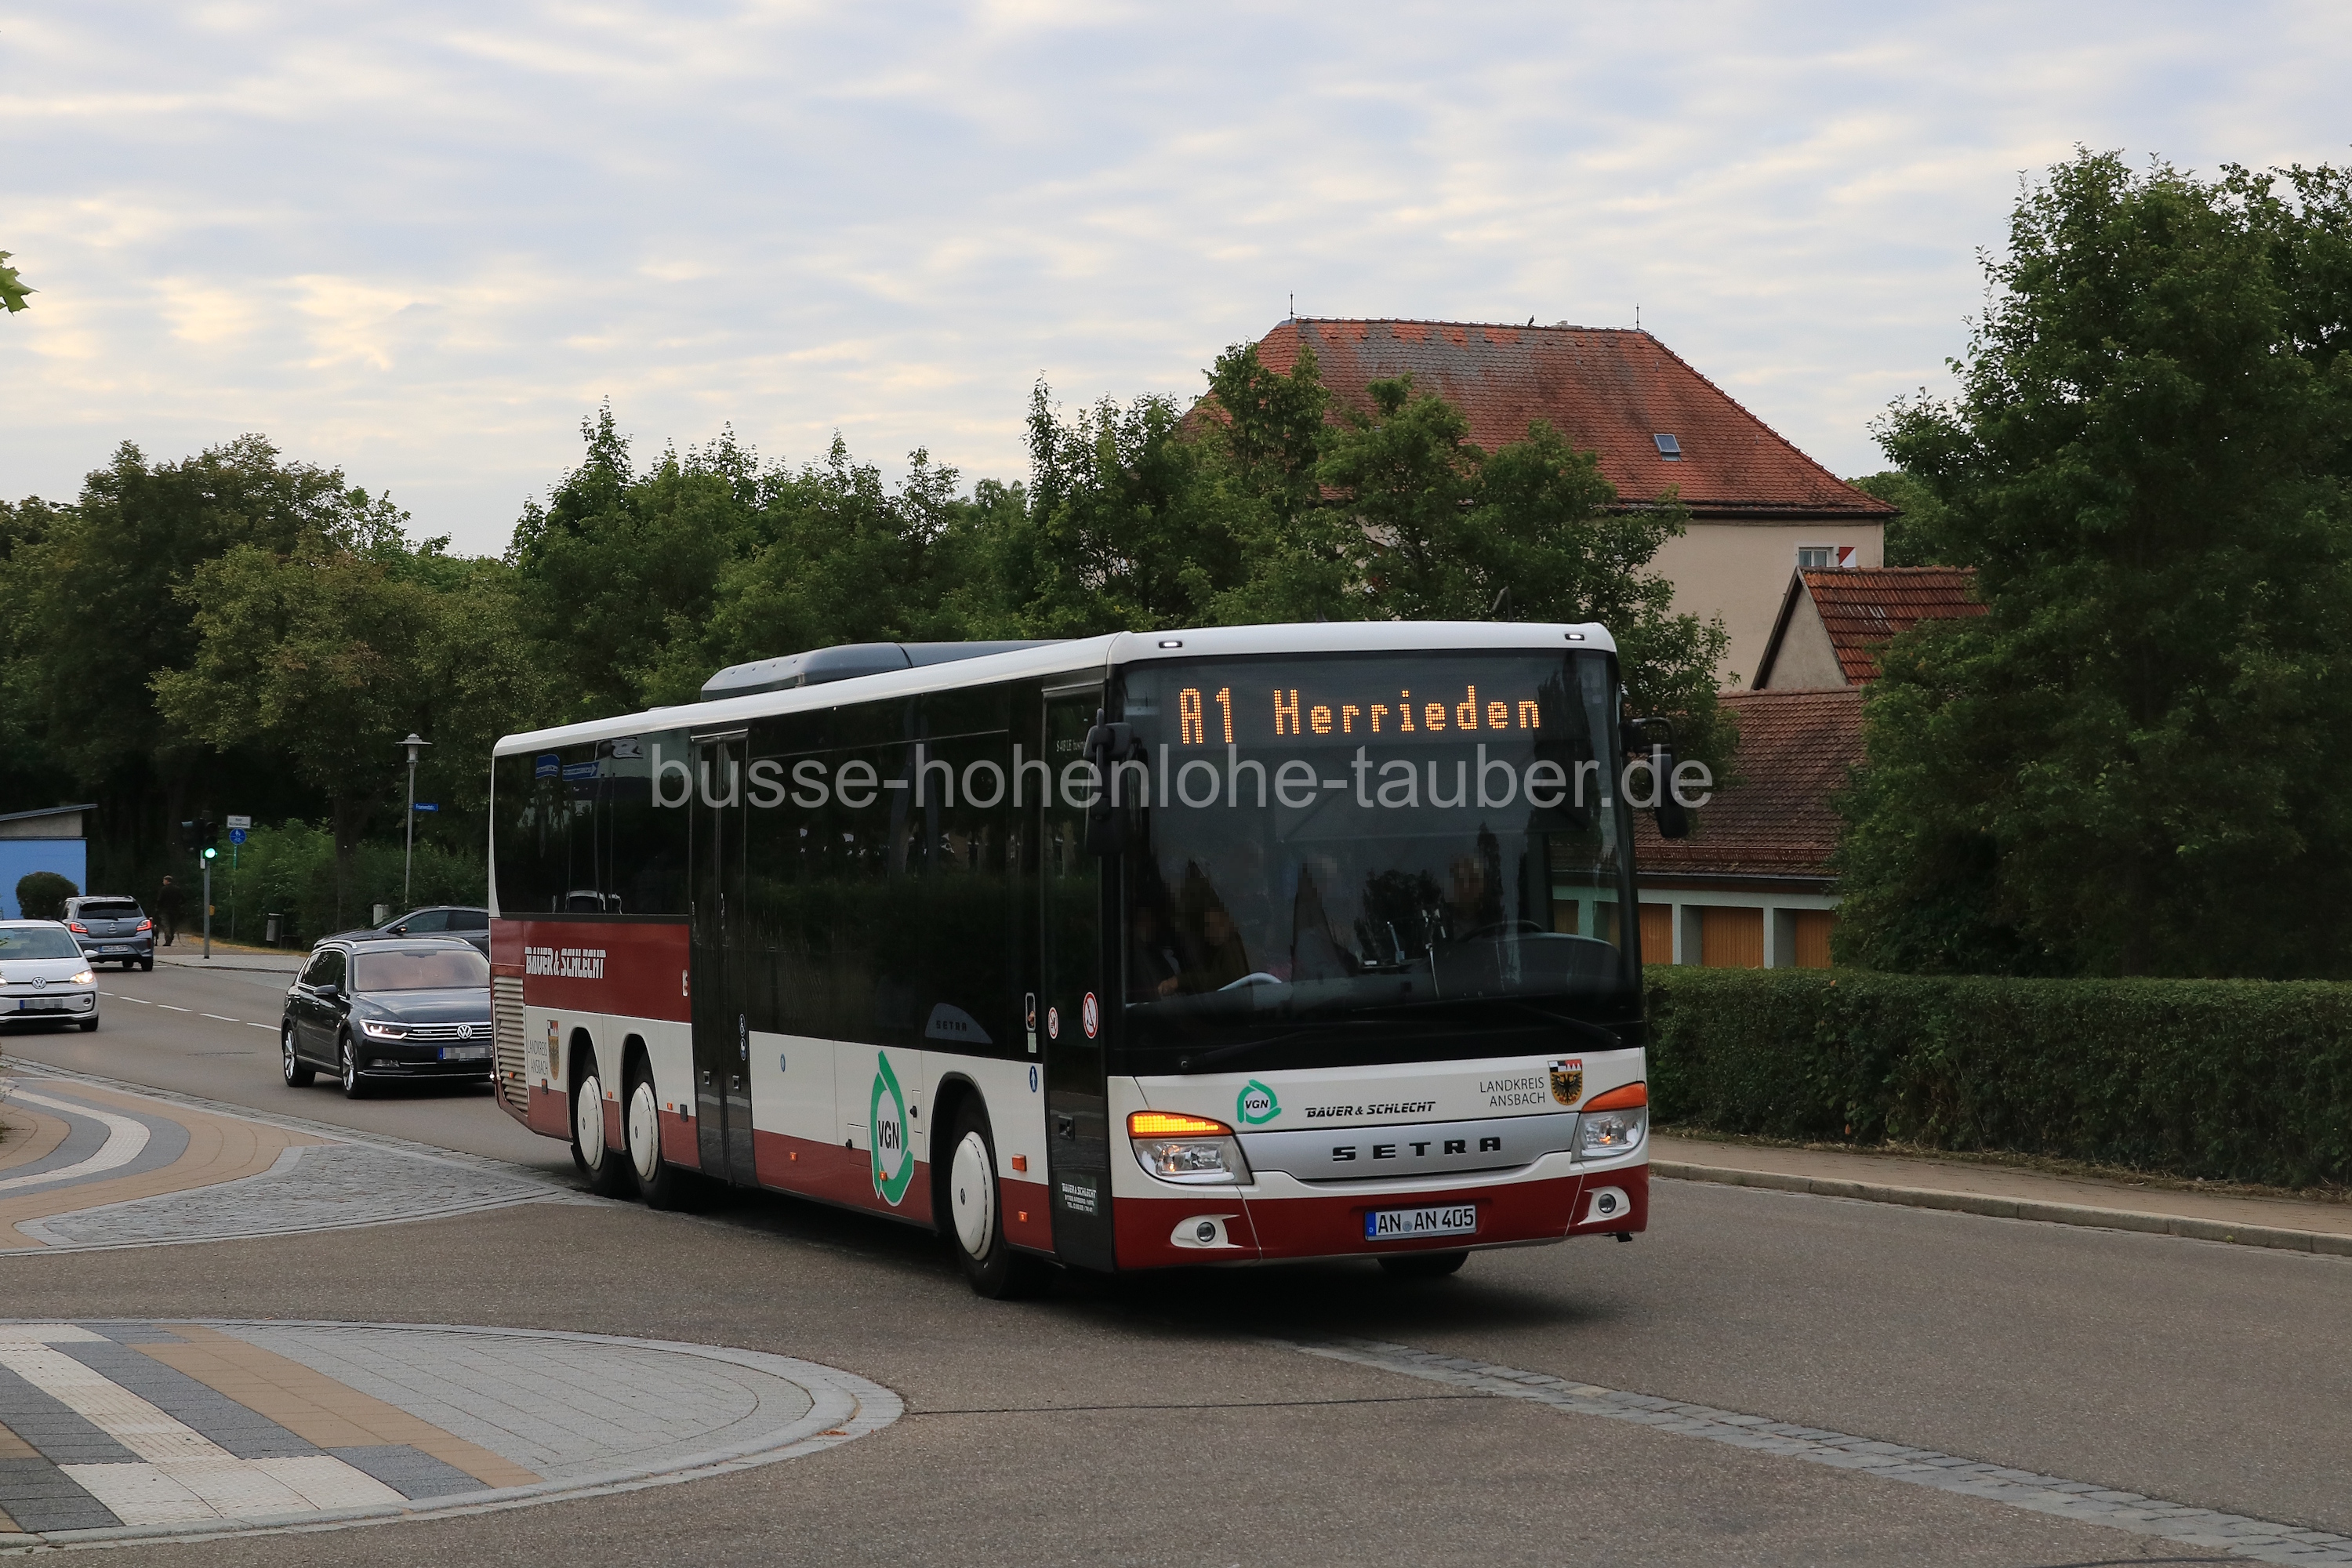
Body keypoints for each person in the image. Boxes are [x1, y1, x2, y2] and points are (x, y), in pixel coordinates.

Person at [155, 875, 185, 946]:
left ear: (167, 881)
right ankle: (171, 938)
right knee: (173, 925)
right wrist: (179, 904)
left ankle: (168, 938)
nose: (163, 882)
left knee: (166, 924)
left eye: (164, 880)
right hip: (175, 910)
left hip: (165, 910)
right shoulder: (177, 889)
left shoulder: (164, 889)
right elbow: (184, 899)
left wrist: (158, 908)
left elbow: (160, 900)